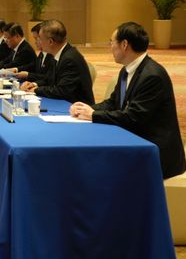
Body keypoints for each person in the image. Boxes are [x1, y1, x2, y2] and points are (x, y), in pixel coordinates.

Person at [70, 22, 185, 179]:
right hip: (136, 140)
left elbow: (134, 117)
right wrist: (86, 109)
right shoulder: (128, 69)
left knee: (97, 168)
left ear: (124, 45)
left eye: (111, 42)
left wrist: (94, 115)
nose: (110, 47)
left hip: (154, 153)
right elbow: (113, 102)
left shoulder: (152, 75)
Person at [21, 19, 94, 104]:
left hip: (76, 108)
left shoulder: (70, 59)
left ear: (50, 42)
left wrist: (36, 90)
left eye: (39, 38)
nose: (38, 42)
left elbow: (62, 91)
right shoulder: (58, 54)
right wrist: (34, 84)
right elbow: (49, 79)